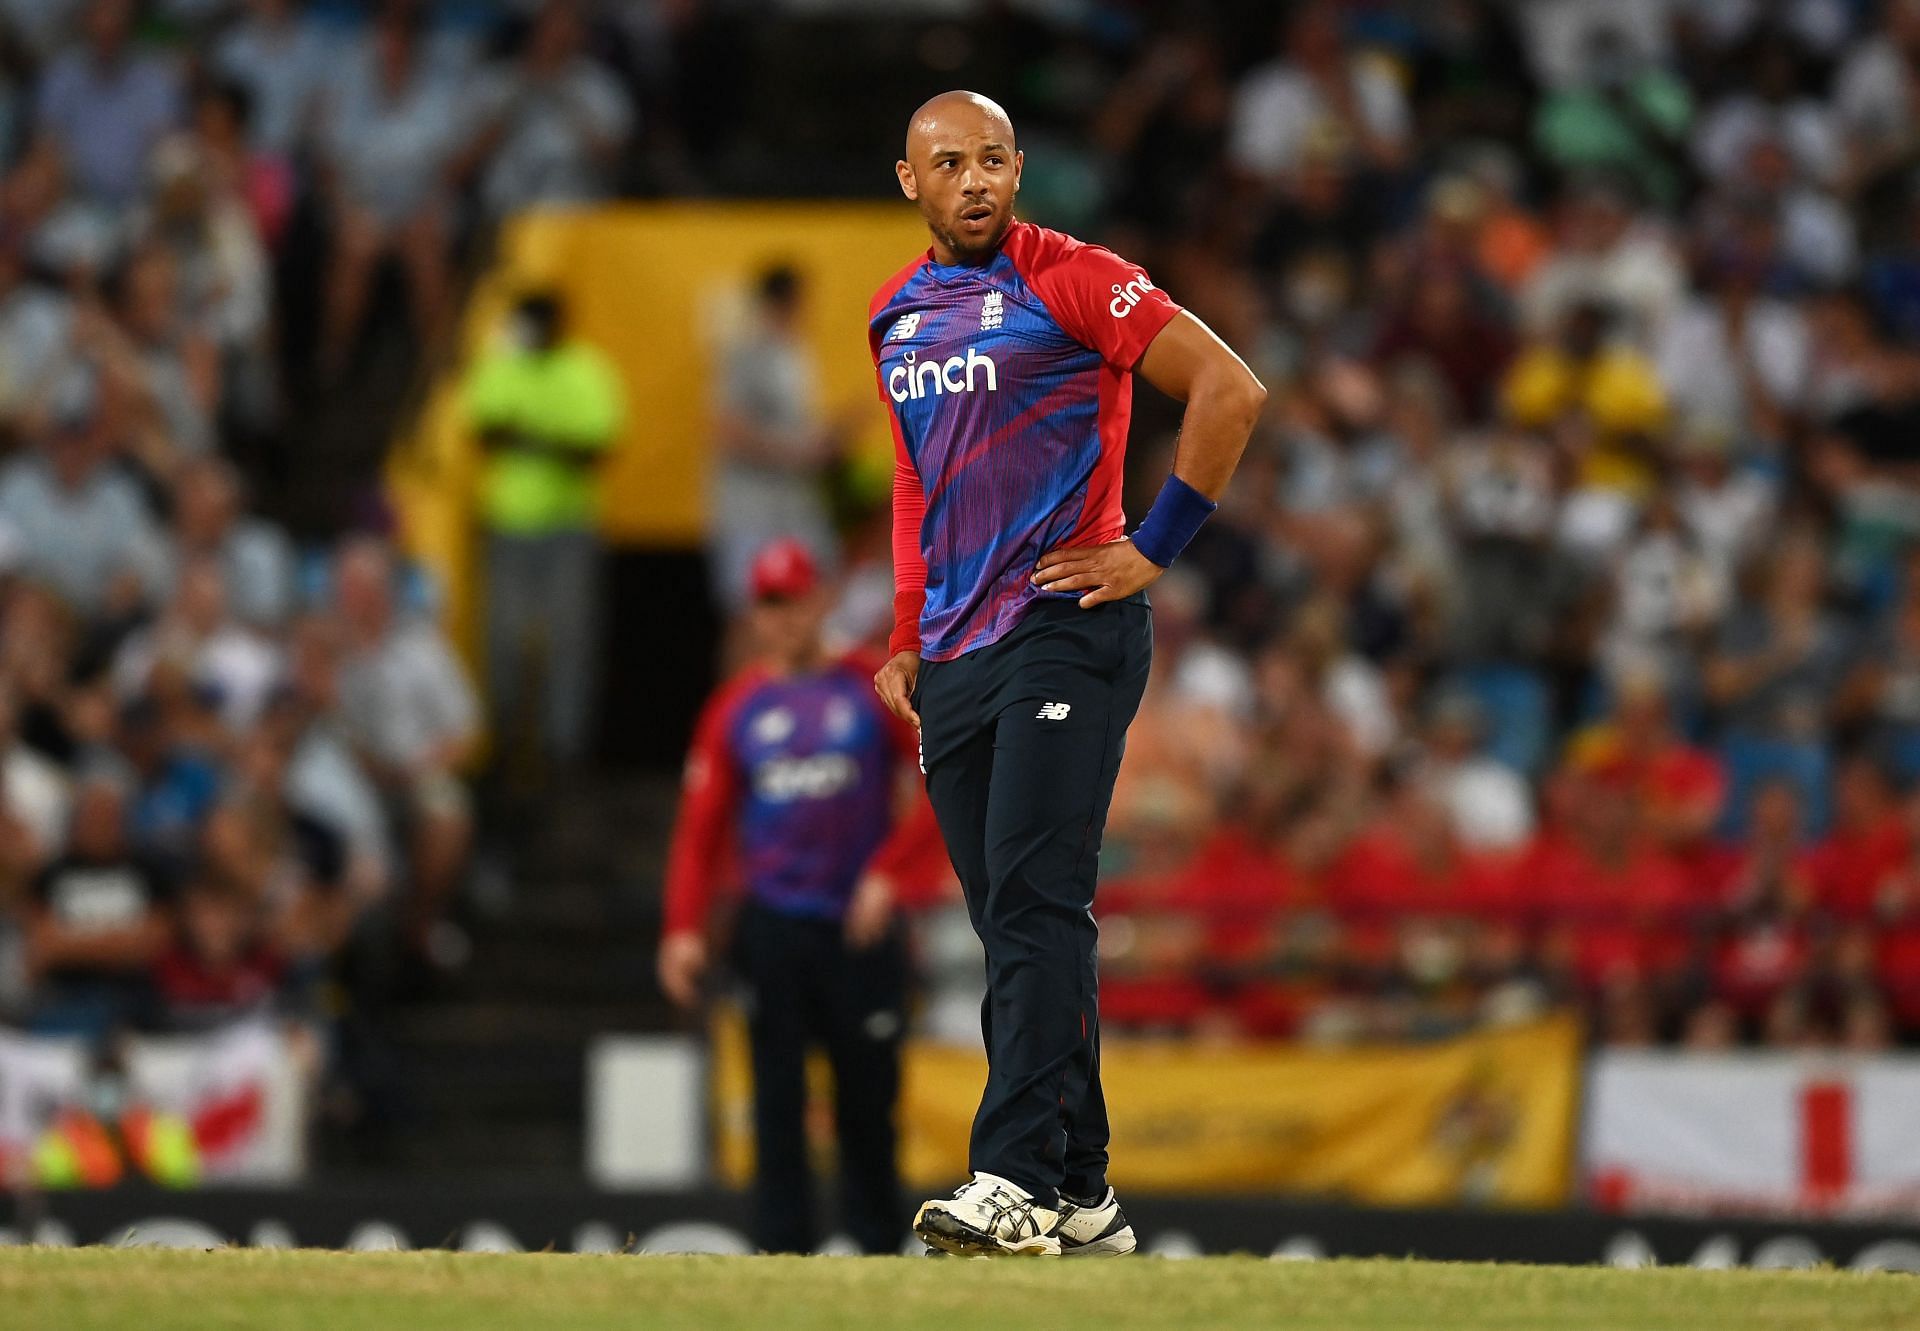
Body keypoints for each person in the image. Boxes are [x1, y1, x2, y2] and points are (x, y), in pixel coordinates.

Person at [868, 91, 1265, 1256]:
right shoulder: (895, 318)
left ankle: (1015, 1176)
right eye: (951, 165)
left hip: (1065, 624)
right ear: (911, 182)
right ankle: (1084, 1190)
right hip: (952, 654)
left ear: (1021, 167)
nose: (976, 181)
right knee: (1013, 922)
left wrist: (1154, 546)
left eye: (994, 159)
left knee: (1038, 902)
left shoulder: (1078, 276)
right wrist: (904, 630)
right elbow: (913, 480)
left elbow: (1230, 390)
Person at [657, 538, 926, 1256]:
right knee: (776, 1102)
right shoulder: (734, 710)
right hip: (773, 926)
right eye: (768, 603)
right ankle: (782, 1257)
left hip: (859, 928)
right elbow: (699, 830)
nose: (782, 617)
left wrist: (891, 873)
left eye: (794, 599)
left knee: (868, 1100)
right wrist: (682, 928)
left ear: (820, 600)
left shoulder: (872, 687)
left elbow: (937, 786)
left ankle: (876, 1251)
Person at [462, 289, 624, 773]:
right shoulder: (501, 361)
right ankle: (505, 751)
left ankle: (564, 756)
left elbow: (596, 448)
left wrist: (529, 435)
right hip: (507, 523)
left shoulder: (586, 369)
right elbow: (484, 430)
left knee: (569, 644)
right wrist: (554, 440)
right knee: (505, 643)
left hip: (569, 525)